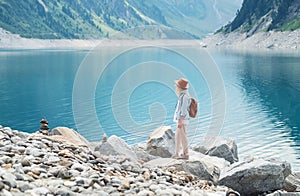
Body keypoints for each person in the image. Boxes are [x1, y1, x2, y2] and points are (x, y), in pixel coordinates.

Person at [172, 78, 191, 159]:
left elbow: (183, 110)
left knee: (183, 136)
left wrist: (180, 120)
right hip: (181, 119)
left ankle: (186, 154)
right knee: (178, 135)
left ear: (180, 87)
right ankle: (176, 153)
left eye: (177, 86)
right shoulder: (183, 95)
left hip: (182, 120)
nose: (175, 87)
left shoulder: (185, 97)